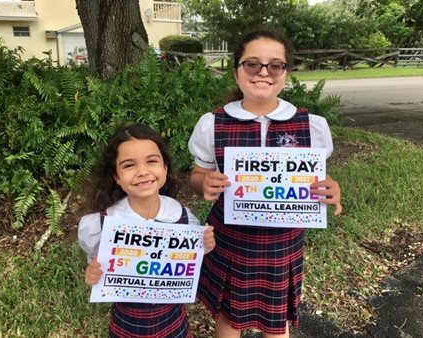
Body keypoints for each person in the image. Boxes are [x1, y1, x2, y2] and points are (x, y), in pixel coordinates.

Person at [188, 28, 342, 338]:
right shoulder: (213, 123)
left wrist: (332, 190)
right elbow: (197, 175)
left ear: (286, 72)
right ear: (236, 72)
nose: (263, 72)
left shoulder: (311, 125)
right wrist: (204, 184)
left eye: (275, 65)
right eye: (252, 64)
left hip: (281, 245)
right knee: (229, 319)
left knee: (276, 322)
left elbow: (317, 180)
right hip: (231, 240)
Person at [78, 123, 215, 338]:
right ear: (116, 177)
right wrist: (93, 273)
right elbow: (96, 265)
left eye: (152, 161)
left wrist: (203, 248)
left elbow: (189, 264)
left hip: (174, 324)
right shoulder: (102, 225)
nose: (142, 172)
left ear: (165, 168)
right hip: (127, 327)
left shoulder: (183, 217)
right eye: (129, 165)